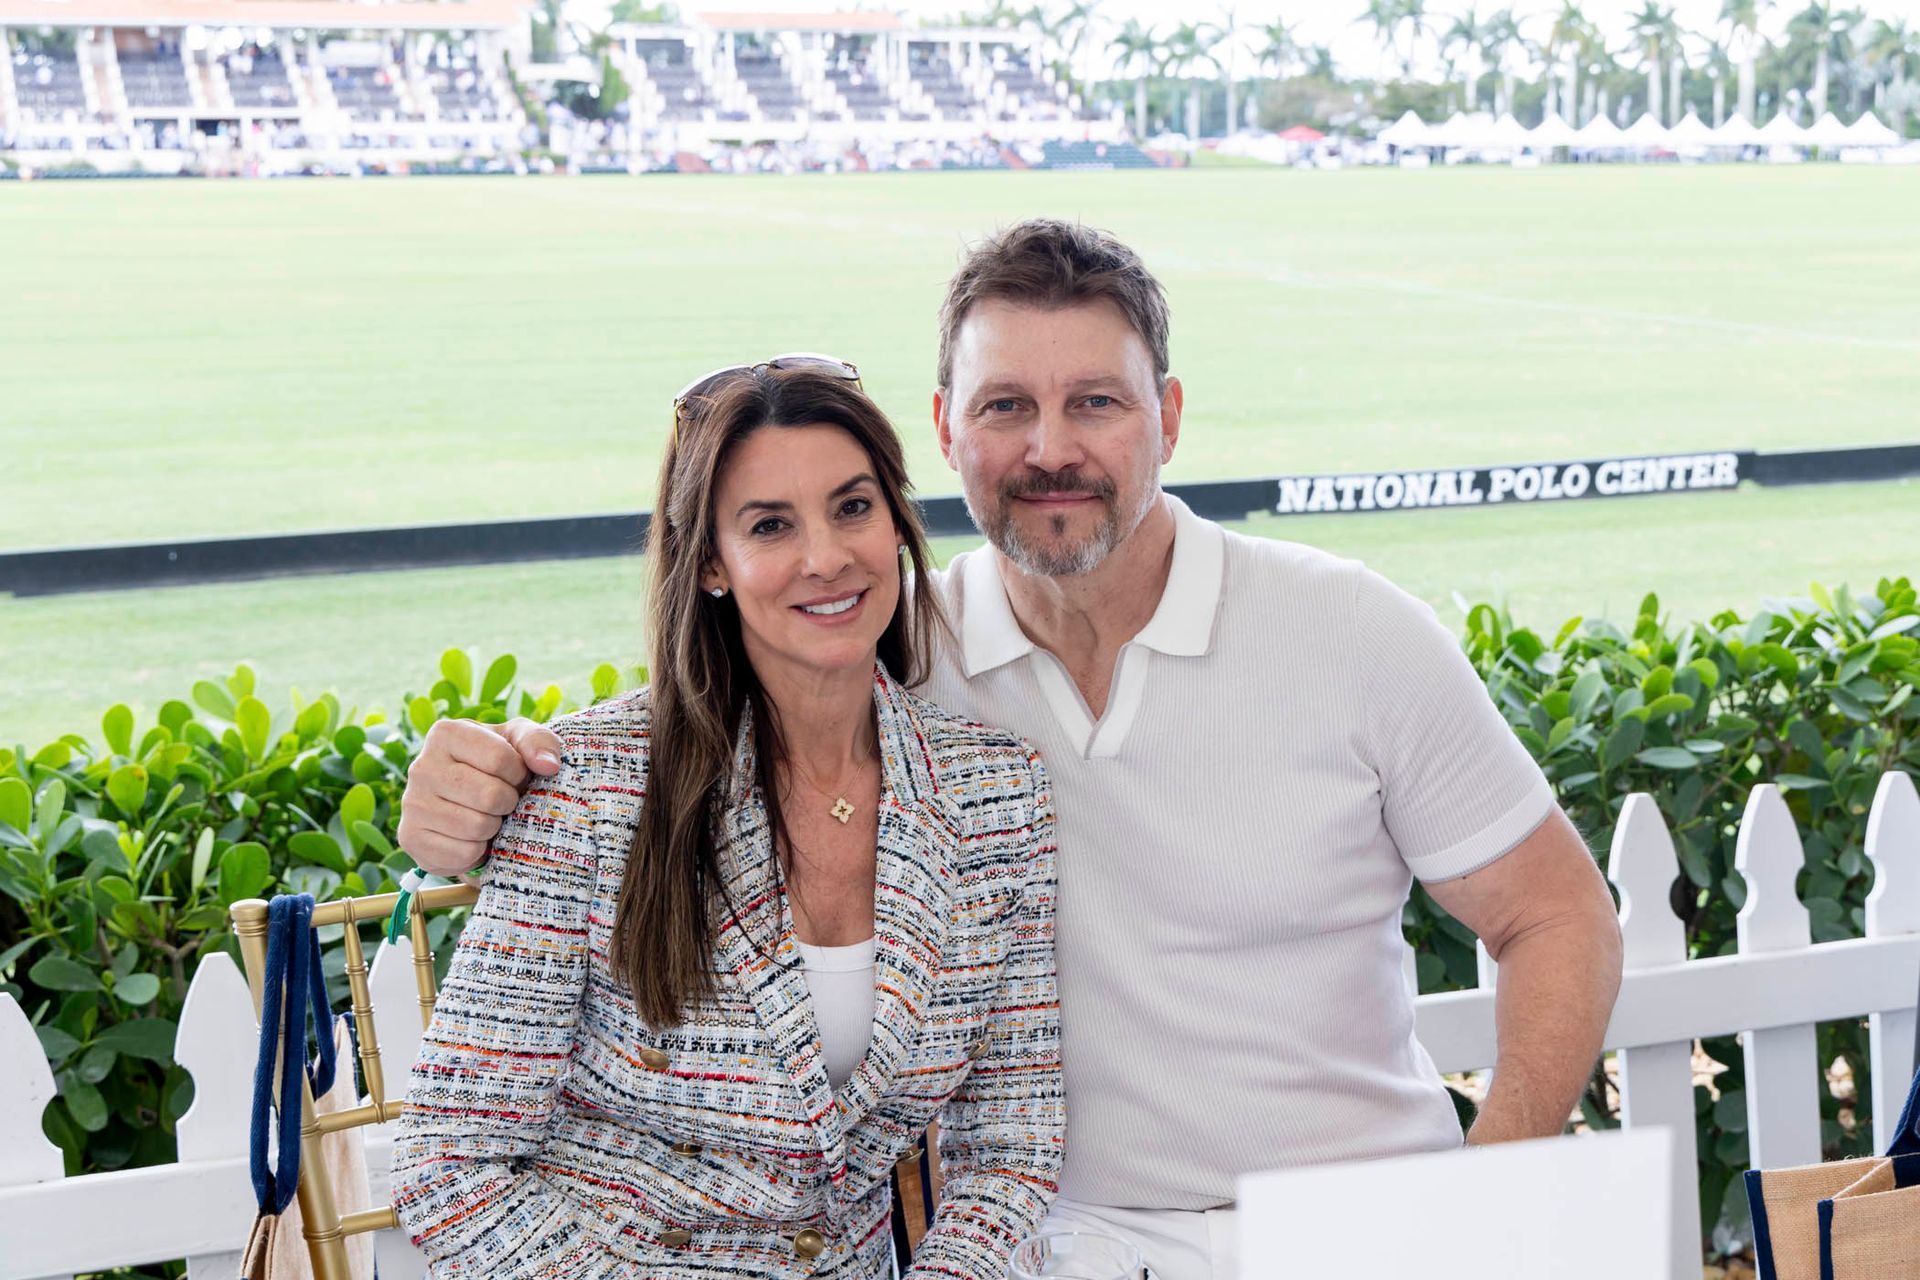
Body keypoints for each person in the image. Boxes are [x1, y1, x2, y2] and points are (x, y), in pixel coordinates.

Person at [397, 221, 1624, 1280]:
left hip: (1361, 1223)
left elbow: (1560, 914)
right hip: (1072, 1242)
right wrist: (491, 768)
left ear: (1170, 416)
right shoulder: (895, 650)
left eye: (1095, 400)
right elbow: (713, 697)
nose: (1051, 448)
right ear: (945, 429)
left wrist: (1478, 1205)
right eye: (1005, 407)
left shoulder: (1348, 628)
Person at [389, 359, 1063, 1278]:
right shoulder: (591, 789)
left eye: (853, 507)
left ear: (898, 524)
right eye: (770, 525)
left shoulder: (998, 796)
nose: (826, 556)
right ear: (710, 561)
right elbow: (448, 1163)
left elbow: (1011, 1154)